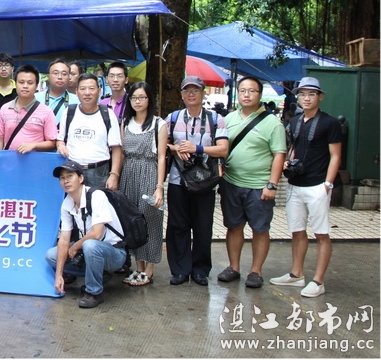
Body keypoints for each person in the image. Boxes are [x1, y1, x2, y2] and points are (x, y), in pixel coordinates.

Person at [269, 77, 341, 298]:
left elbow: (335, 155)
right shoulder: (294, 122)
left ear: (320, 96)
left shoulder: (330, 123)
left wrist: (327, 184)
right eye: (302, 94)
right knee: (297, 231)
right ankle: (296, 274)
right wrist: (288, 163)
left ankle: (318, 281)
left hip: (318, 184)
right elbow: (293, 148)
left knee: (321, 233)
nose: (306, 98)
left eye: (311, 94)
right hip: (295, 184)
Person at [217, 77, 286, 289]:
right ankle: (234, 267)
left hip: (259, 186)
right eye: (243, 91)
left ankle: (256, 271)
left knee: (260, 229)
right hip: (231, 182)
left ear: (260, 94)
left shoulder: (273, 123)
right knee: (234, 226)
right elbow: (220, 147)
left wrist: (272, 184)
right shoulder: (228, 119)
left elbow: (279, 154)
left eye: (252, 91)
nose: (246, 95)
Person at [165, 76, 229, 286]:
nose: (191, 94)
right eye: (187, 91)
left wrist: (197, 149)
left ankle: (200, 270)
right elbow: (162, 144)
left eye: (195, 90)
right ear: (182, 95)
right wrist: (177, 148)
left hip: (205, 181)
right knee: (177, 225)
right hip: (178, 179)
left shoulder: (215, 119)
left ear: (203, 93)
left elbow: (223, 149)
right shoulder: (173, 118)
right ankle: (180, 270)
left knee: (203, 226)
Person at [46, 161, 127, 309]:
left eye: (70, 176)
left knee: (90, 245)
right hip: (88, 250)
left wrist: (75, 247)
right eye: (62, 178)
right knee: (51, 255)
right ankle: (100, 274)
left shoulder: (97, 196)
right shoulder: (67, 203)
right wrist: (58, 276)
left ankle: (94, 292)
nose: (66, 181)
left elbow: (96, 233)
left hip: (114, 252)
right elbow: (64, 239)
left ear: (81, 178)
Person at [119, 82, 168, 286]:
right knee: (132, 222)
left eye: (142, 97)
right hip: (128, 174)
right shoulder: (125, 122)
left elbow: (162, 157)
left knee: (151, 219)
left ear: (149, 99)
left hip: (149, 173)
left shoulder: (159, 124)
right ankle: (138, 268)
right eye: (134, 98)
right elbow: (122, 154)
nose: (137, 101)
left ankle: (149, 269)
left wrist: (159, 188)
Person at [56, 73, 121, 189]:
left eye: (91, 88)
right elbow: (60, 139)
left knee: (98, 200)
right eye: (83, 89)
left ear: (99, 91)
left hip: (99, 172)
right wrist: (60, 145)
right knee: (72, 201)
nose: (87, 93)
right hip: (72, 170)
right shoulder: (69, 112)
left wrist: (114, 175)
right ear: (77, 92)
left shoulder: (108, 114)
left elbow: (116, 148)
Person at [0, 64, 57, 153]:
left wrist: (34, 145)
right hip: (8, 161)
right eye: (21, 82)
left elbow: (53, 142)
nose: (25, 86)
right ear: (15, 84)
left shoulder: (46, 111)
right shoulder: (5, 108)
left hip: (34, 161)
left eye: (30, 83)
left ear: (36, 85)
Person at [35, 58, 80, 125]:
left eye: (64, 74)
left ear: (68, 77)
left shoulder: (77, 101)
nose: (60, 77)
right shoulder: (35, 99)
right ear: (48, 76)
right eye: (55, 73)